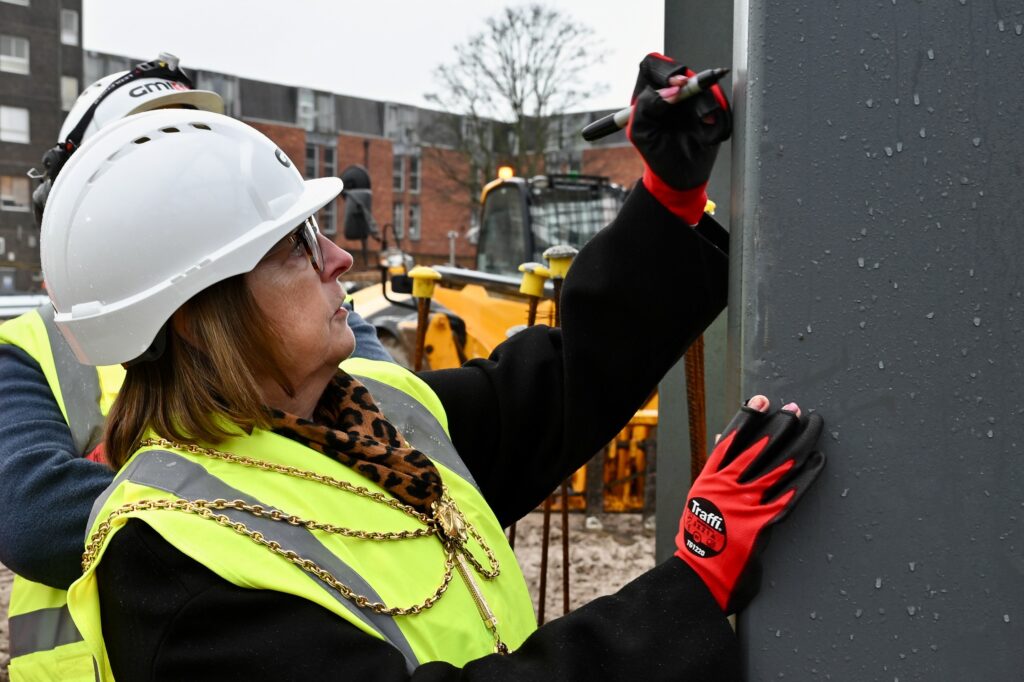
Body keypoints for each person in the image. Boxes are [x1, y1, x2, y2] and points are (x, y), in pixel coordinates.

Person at [41, 54, 824, 680]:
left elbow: (561, 385)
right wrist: (690, 586)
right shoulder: (169, 563)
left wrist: (667, 199)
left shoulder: (365, 414)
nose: (341, 258)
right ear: (197, 315)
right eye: (295, 248)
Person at [0, 53, 390, 682]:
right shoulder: (27, 349)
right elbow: (35, 518)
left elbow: (398, 436)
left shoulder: (317, 309)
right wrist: (295, 515)